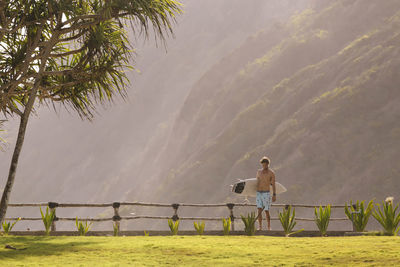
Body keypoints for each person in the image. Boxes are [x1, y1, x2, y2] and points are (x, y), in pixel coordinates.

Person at [256, 156, 276, 231]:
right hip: (258, 193)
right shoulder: (258, 172)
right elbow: (256, 182)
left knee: (266, 210)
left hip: (266, 193)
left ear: (268, 164)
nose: (264, 166)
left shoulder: (271, 173)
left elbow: (273, 184)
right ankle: (260, 227)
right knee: (259, 210)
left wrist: (274, 195)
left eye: (265, 165)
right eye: (263, 165)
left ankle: (268, 227)